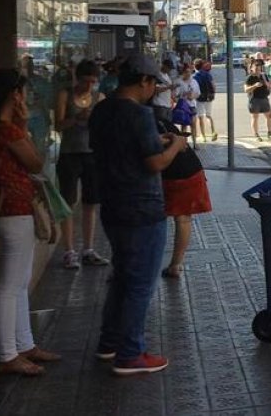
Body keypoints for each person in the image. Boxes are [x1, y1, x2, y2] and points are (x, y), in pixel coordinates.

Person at [89, 55, 186, 375]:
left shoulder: (102, 110)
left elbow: (120, 147)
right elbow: (155, 163)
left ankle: (109, 342)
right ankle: (130, 353)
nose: (153, 89)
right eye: (153, 83)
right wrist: (176, 145)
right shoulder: (140, 114)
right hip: (142, 207)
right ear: (143, 81)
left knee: (121, 276)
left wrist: (157, 141)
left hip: (112, 204)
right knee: (140, 283)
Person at [0, 69, 61, 376]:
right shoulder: (6, 131)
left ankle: (24, 344)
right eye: (22, 91)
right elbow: (35, 162)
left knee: (19, 281)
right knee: (11, 285)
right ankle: (8, 353)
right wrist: (25, 123)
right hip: (14, 210)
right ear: (14, 94)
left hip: (13, 210)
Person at [54, 60, 110, 270]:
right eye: (85, 81)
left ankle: (88, 248)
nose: (89, 86)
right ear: (77, 79)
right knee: (68, 202)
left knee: (91, 202)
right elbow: (58, 124)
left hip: (92, 154)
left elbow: (105, 127)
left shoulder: (99, 98)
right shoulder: (65, 95)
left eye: (93, 82)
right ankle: (69, 250)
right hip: (69, 154)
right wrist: (77, 118)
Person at [159, 118, 211, 280]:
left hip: (172, 173)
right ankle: (176, 264)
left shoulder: (138, 120)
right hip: (191, 169)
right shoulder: (158, 118)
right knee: (183, 219)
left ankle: (152, 263)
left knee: (155, 218)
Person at [244, 60, 271, 141]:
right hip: (254, 99)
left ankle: (270, 133)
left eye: (259, 68)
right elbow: (246, 90)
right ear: (252, 68)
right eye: (256, 68)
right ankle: (256, 135)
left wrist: (268, 84)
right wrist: (255, 86)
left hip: (264, 98)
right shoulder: (250, 77)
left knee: (269, 116)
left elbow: (269, 86)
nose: (258, 70)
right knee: (255, 117)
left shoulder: (264, 76)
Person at [192, 60, 218, 142]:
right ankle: (213, 132)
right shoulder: (207, 74)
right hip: (209, 97)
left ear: (194, 66)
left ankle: (203, 136)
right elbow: (213, 86)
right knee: (208, 116)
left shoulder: (195, 76)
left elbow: (194, 89)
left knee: (200, 117)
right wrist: (213, 94)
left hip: (200, 98)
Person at [151, 59, 175, 124]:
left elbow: (170, 89)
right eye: (168, 67)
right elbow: (155, 90)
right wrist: (168, 87)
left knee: (168, 125)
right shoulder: (158, 75)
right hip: (159, 104)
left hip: (167, 105)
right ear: (164, 65)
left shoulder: (167, 76)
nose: (169, 69)